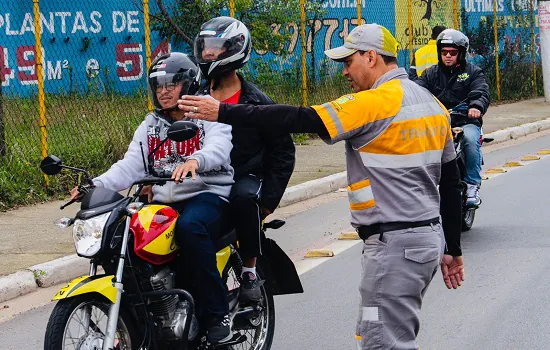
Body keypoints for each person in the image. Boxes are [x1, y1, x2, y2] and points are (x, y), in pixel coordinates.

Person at [177, 24, 465, 350]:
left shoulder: (374, 102)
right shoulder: (432, 104)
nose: (344, 72)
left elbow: (301, 119)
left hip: (394, 246)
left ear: (370, 57)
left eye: (348, 62)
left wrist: (224, 111)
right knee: (393, 336)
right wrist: (452, 248)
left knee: (383, 343)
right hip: (426, 242)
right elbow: (452, 184)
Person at [71, 52, 235, 344]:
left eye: (171, 84)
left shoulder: (208, 111)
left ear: (188, 84)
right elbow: (130, 166)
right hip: (163, 200)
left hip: (207, 194)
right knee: (121, 236)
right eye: (158, 85)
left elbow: (219, 146)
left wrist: (197, 160)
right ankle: (143, 317)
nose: (163, 91)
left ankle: (216, 314)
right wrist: (94, 184)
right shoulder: (150, 125)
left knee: (189, 229)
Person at [193, 16, 296, 303]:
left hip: (245, 176)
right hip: (203, 179)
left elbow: (284, 152)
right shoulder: (194, 95)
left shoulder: (258, 102)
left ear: (234, 49)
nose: (208, 53)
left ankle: (249, 272)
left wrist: (267, 203)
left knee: (244, 197)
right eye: (205, 46)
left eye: (215, 46)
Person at [416, 29, 491, 207]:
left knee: (471, 140)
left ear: (461, 53)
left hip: (465, 121)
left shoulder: (473, 72)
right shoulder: (430, 74)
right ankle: (419, 189)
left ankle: (472, 185)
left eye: (453, 52)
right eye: (444, 52)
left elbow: (481, 91)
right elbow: (416, 90)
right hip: (438, 123)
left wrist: (475, 106)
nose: (448, 56)